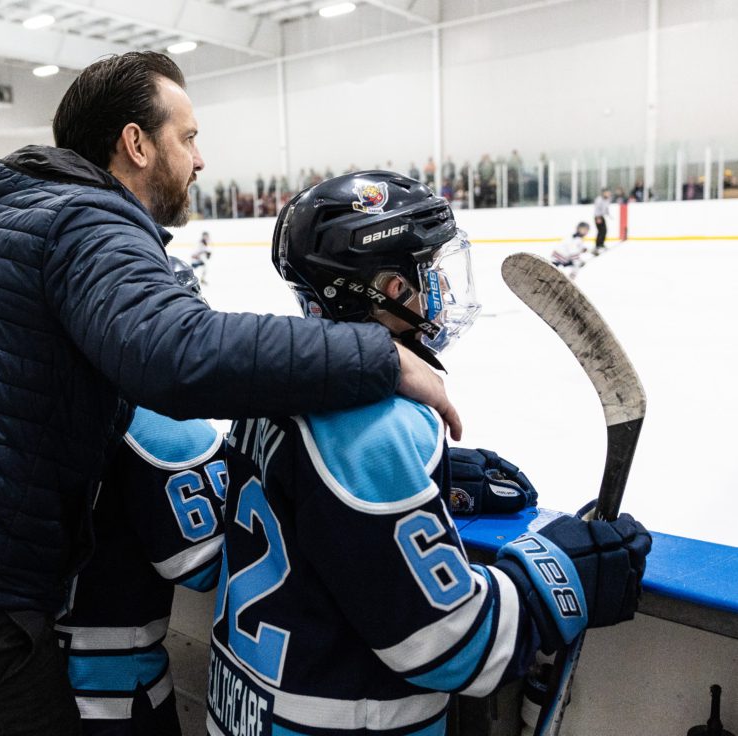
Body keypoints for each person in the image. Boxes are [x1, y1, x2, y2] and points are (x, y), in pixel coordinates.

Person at [0, 51, 459, 735]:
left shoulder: (24, 215)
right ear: (136, 143)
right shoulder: (83, 219)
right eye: (188, 137)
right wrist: (376, 356)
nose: (200, 159)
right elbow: (176, 355)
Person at [208, 171, 651, 736]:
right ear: (390, 289)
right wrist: (566, 571)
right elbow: (448, 643)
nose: (440, 286)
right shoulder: (381, 425)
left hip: (245, 713)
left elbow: (313, 513)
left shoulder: (268, 387)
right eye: (428, 271)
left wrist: (422, 486)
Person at [58, 257, 226, 736]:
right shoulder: (165, 433)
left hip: (18, 664)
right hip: (111, 688)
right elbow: (204, 565)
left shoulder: (45, 395)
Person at [593, 188, 611, 254]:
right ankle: (598, 245)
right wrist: (598, 217)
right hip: (598, 216)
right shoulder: (599, 199)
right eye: (607, 192)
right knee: (600, 231)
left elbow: (606, 207)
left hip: (602, 216)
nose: (608, 194)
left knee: (604, 230)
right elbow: (597, 208)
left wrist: (608, 214)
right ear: (603, 193)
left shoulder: (607, 199)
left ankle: (601, 244)